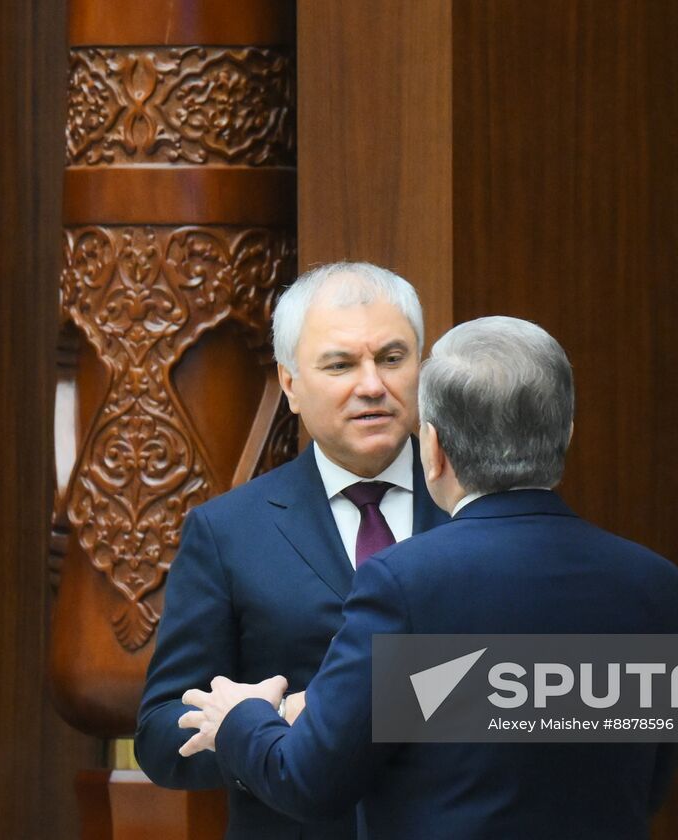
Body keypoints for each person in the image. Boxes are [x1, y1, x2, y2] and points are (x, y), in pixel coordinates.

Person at [176, 316, 678, 839]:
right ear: (567, 435)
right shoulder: (655, 584)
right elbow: (651, 784)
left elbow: (309, 780)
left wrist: (243, 717)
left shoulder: (404, 582)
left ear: (433, 447)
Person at [135, 262, 450, 839]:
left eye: (392, 358)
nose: (372, 384)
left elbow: (540, 692)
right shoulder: (229, 531)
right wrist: (266, 729)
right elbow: (160, 733)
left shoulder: (474, 508)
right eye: (340, 364)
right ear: (290, 385)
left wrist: (347, 718)